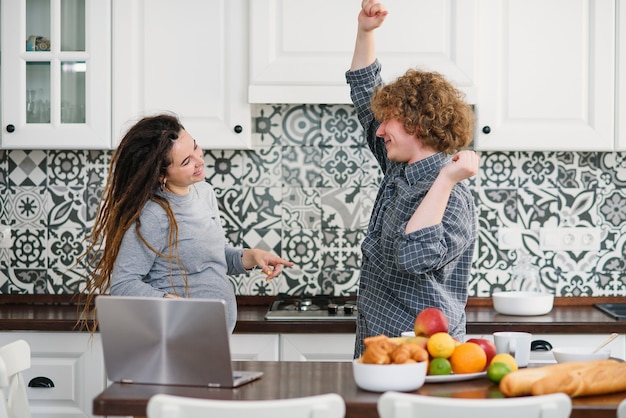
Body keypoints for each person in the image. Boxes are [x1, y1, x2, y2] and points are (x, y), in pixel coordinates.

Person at [347, 0, 479, 357]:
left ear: (417, 125)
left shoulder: (452, 195)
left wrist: (447, 179)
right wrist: (365, 31)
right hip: (378, 346)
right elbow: (363, 93)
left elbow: (414, 256)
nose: (380, 130)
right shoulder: (398, 171)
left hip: (425, 354)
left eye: (388, 119)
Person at [79, 113, 293, 333]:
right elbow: (123, 284)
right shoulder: (154, 215)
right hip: (174, 333)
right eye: (186, 161)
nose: (199, 160)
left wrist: (250, 257)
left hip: (211, 335)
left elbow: (211, 259)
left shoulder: (204, 192)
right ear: (161, 175)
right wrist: (173, 305)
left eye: (195, 147)